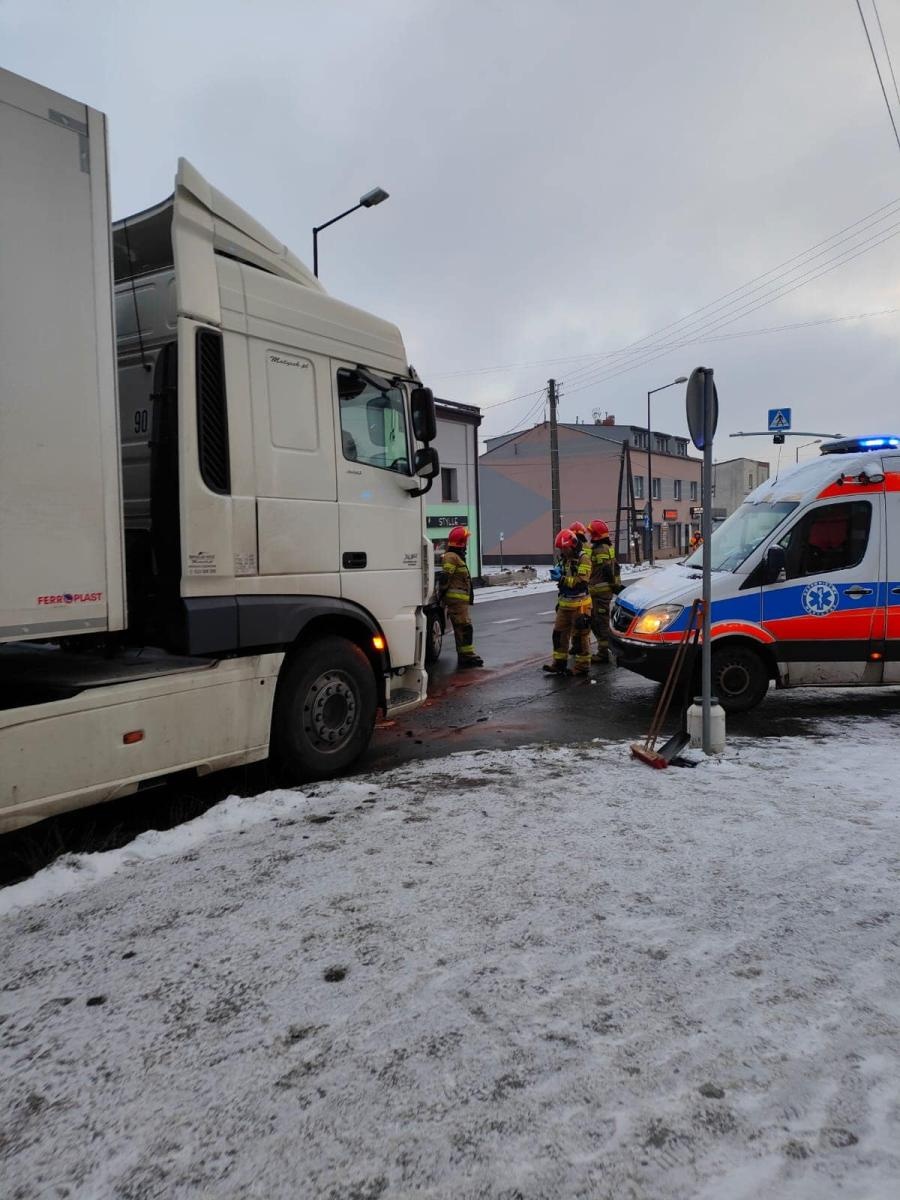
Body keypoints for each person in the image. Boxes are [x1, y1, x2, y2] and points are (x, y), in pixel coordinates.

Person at [544, 528, 592, 675]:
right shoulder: (565, 559)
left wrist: (562, 579)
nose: (562, 551)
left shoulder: (584, 559)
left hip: (580, 605)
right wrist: (558, 573)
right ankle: (559, 663)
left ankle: (582, 666)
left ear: (572, 545)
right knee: (558, 634)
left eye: (564, 548)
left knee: (580, 637)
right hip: (565, 603)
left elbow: (581, 582)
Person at [437, 526, 483, 669]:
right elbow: (446, 578)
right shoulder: (451, 557)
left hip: (460, 602)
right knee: (463, 628)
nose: (467, 544)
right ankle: (466, 657)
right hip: (456, 601)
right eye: (465, 541)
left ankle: (467, 655)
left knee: (464, 627)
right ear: (461, 542)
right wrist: (442, 595)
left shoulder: (456, 557)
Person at [587, 519, 622, 664]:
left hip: (601, 593)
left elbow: (607, 570)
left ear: (595, 535)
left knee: (600, 622)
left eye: (591, 533)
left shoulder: (600, 549)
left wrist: (614, 586)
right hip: (599, 592)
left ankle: (605, 653)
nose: (589, 535)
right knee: (596, 621)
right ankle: (606, 650)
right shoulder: (603, 547)